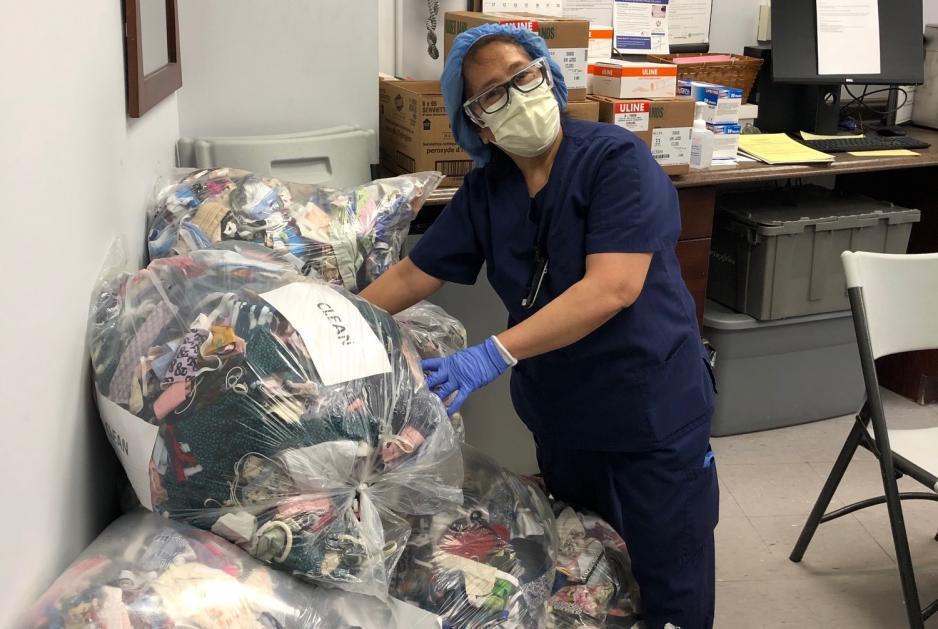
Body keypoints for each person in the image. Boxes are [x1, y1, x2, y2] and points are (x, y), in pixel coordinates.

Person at [360, 23, 718, 629]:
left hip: (648, 408)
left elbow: (613, 287)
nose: (516, 95)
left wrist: (489, 354)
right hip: (563, 416)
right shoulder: (488, 189)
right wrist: (321, 321)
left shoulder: (615, 161)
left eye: (523, 76)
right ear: (478, 123)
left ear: (548, 75)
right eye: (491, 94)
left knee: (669, 575)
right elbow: (414, 276)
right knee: (588, 565)